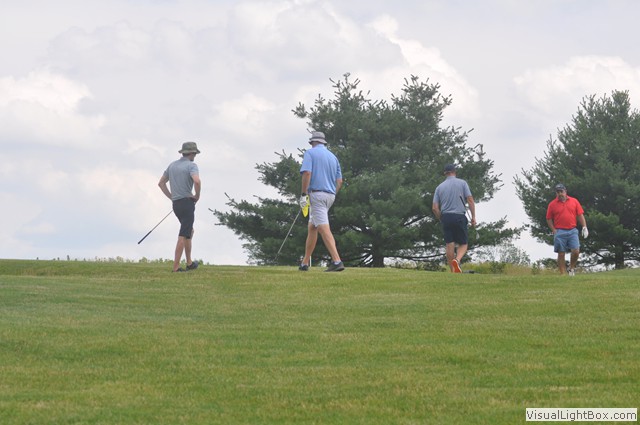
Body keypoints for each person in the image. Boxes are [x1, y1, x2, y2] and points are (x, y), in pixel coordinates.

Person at [298, 131, 345, 272]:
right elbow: (339, 181)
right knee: (312, 227)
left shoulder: (310, 153)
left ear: (312, 142)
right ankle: (305, 263)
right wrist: (332, 193)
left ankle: (337, 261)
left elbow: (307, 173)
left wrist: (303, 194)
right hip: (330, 195)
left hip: (317, 195)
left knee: (323, 228)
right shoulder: (333, 157)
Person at [158, 141, 202, 273]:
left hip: (176, 204)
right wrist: (197, 195)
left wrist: (172, 197)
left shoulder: (172, 165)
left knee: (189, 231)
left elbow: (161, 183)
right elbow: (197, 181)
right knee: (183, 234)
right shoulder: (191, 166)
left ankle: (189, 263)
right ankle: (176, 267)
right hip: (187, 203)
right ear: (192, 153)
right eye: (195, 153)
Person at [432, 164, 476, 273]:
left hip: (446, 217)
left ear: (445, 173)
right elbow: (470, 200)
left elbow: (435, 208)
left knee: (449, 244)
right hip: (459, 216)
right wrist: (473, 217)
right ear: (454, 172)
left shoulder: (439, 187)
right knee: (463, 244)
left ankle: (453, 271)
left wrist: (441, 218)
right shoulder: (462, 183)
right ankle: (457, 260)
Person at [546, 183, 588, 276]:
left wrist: (584, 226)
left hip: (572, 230)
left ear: (565, 192)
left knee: (576, 251)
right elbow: (549, 218)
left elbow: (580, 215)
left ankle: (571, 268)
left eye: (561, 191)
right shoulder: (552, 204)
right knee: (561, 253)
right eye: (558, 192)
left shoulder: (574, 201)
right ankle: (563, 274)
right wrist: (554, 230)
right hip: (559, 231)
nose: (560, 194)